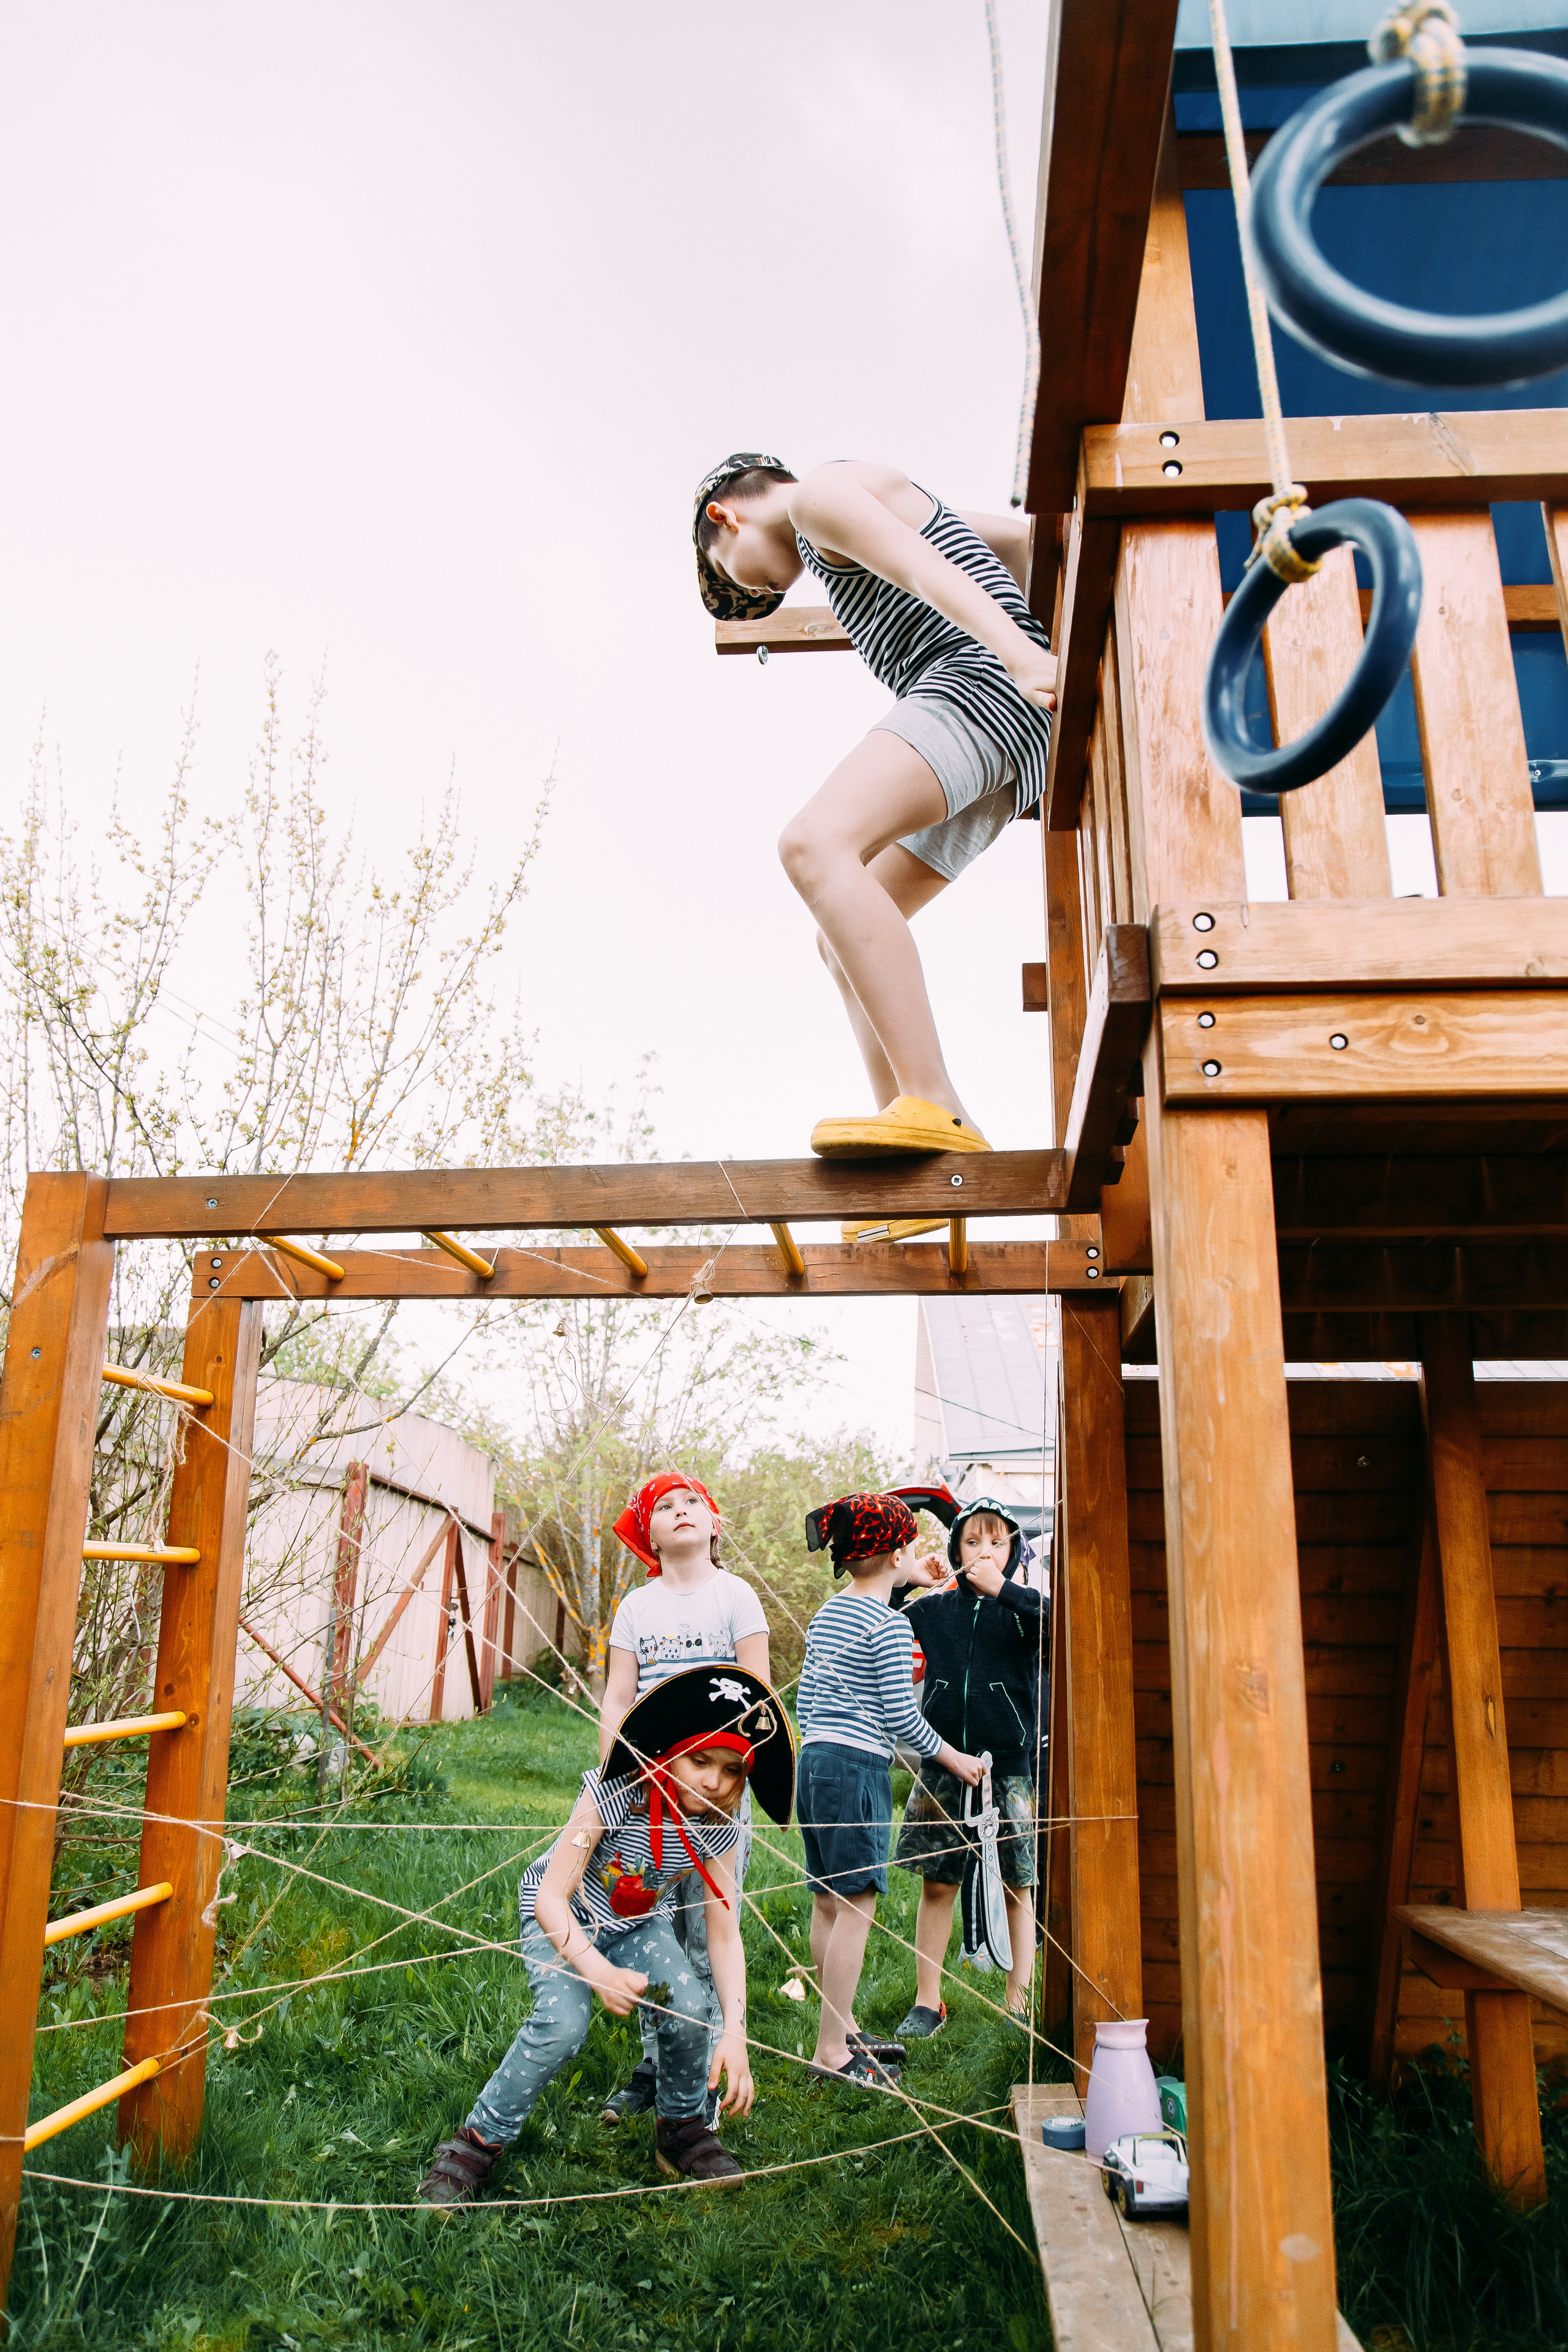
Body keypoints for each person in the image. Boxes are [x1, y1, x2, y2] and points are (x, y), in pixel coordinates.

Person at [692, 453, 1057, 1177]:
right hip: (1007, 733)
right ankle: (907, 1133)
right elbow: (1019, 544)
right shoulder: (853, 503)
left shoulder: (818, 496)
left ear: (723, 516)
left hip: (981, 683)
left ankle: (934, 1101)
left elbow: (927, 572)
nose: (757, 594)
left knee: (812, 845)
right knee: (835, 938)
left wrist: (1024, 657)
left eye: (733, 575)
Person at [416, 1664, 793, 2202]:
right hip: (565, 1920)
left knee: (690, 2009)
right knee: (562, 2026)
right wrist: (596, 1971)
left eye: (732, 1770)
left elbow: (725, 1933)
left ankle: (682, 2130)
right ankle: (477, 2142)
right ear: (671, 1751)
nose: (714, 1782)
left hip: (637, 1924)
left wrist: (734, 2030)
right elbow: (550, 1899)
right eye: (700, 1760)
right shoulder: (614, 1790)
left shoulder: (720, 1825)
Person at [596, 1474, 770, 2125]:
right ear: (650, 1536)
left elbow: (757, 1693)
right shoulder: (637, 1607)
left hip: (718, 1794)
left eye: (692, 1501)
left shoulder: (736, 1595)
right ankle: (657, 2061)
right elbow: (619, 1696)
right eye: (664, 1507)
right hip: (649, 1794)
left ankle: (711, 2069)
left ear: (714, 1523)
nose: (680, 1511)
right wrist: (618, 1773)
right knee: (651, 1929)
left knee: (707, 1930)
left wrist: (736, 1775)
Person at [796, 1491, 982, 2086]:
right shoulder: (889, 1626)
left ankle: (844, 2027)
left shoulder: (829, 1613)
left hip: (814, 1763)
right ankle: (832, 2052)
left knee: (828, 1902)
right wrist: (952, 1757)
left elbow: (805, 1700)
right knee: (857, 1908)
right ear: (899, 1554)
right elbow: (902, 1718)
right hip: (856, 1769)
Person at [894, 1496, 1046, 2034]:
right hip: (943, 1762)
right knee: (938, 1883)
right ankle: (927, 2000)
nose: (983, 1551)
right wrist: (910, 1581)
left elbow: (1058, 1621)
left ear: (1013, 1552)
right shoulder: (936, 1610)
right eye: (972, 1541)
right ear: (956, 1551)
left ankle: (1018, 2002)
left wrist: (1005, 1590)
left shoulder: (1023, 1612)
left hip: (1007, 1767)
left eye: (996, 1542)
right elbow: (882, 1617)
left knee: (1016, 1884)